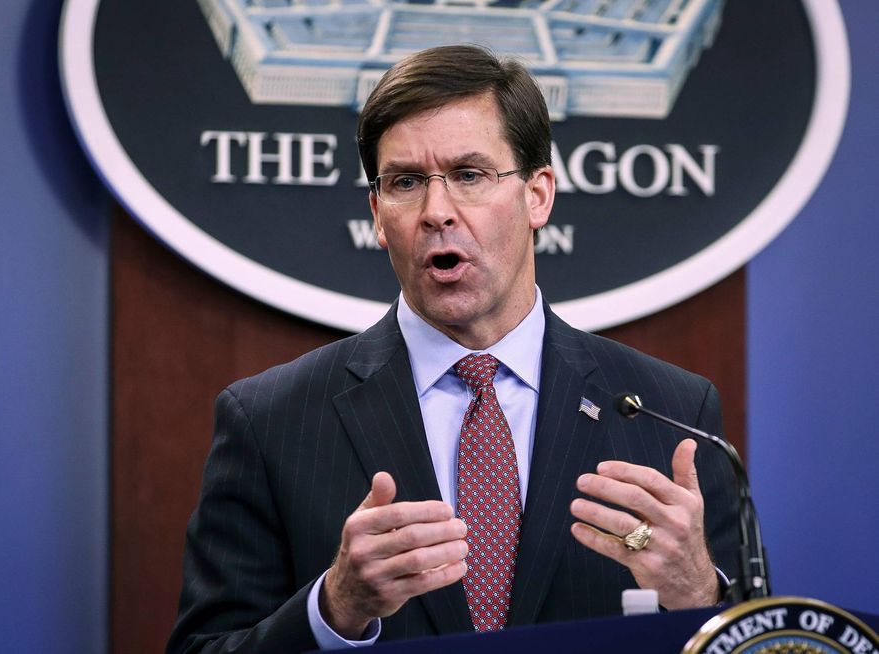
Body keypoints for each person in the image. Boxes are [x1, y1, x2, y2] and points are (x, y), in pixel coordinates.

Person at [166, 44, 739, 653]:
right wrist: (334, 609)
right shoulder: (271, 420)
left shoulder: (669, 412)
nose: (437, 211)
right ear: (379, 215)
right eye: (407, 183)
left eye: (469, 174)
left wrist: (700, 592)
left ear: (538, 195)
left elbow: (766, 640)